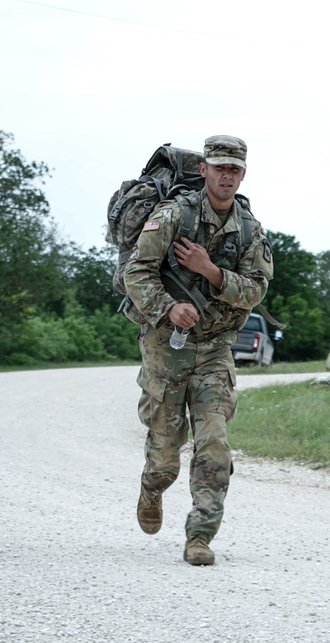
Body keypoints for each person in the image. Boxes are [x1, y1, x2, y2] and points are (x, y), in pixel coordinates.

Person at [123, 135, 273, 566]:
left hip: (215, 348)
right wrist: (169, 308)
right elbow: (137, 271)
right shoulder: (172, 215)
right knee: (167, 451)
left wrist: (210, 271)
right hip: (166, 349)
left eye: (235, 169)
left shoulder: (249, 229)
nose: (227, 175)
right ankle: (152, 488)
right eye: (219, 167)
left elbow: (256, 290)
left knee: (214, 442)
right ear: (205, 169)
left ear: (243, 174)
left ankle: (200, 537)